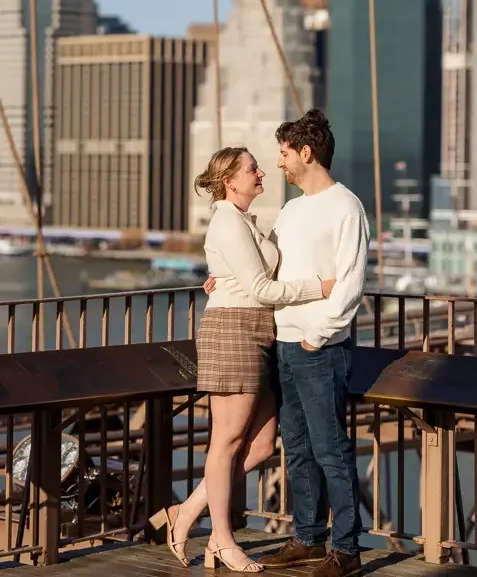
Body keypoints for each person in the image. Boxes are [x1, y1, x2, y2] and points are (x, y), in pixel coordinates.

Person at [149, 145, 335, 573]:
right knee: (227, 443)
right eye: (252, 169)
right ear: (230, 181)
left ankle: (187, 511)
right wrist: (320, 288)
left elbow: (251, 278)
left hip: (257, 332)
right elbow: (261, 289)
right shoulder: (228, 222)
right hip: (232, 331)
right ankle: (224, 540)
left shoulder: (245, 221)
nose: (262, 173)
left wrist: (221, 281)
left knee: (263, 443)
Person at [207, 110, 369, 577]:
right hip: (283, 342)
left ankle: (347, 548)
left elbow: (351, 283)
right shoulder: (291, 210)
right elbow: (264, 268)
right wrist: (220, 279)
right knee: (295, 446)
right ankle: (307, 537)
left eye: (281, 153)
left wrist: (318, 336)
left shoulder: (346, 207)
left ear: (306, 152)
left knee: (330, 448)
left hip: (319, 347)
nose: (277, 163)